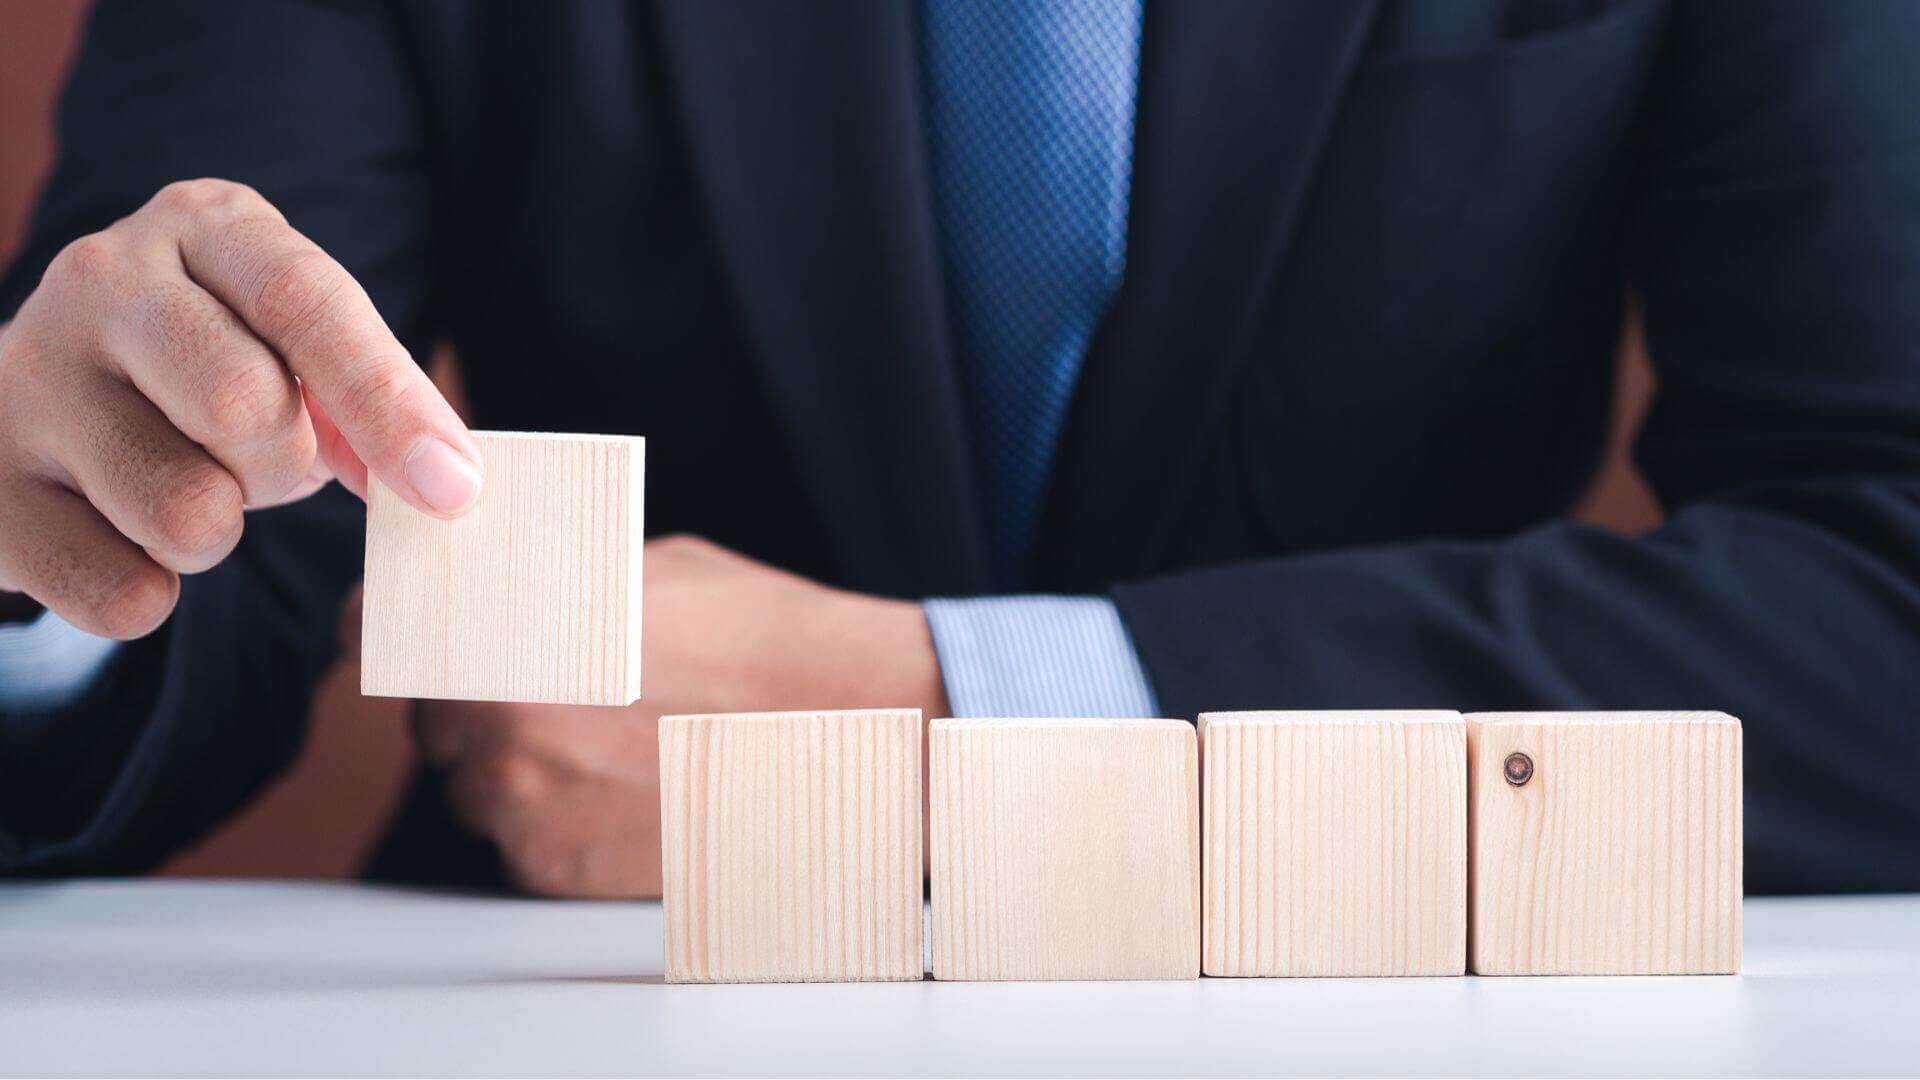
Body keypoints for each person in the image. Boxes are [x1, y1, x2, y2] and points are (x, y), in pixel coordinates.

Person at [2, 0, 1917, 896]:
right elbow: (181, 509)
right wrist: (41, 557)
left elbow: (1888, 595)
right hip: (593, 987)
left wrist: (954, 726)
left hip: (1391, 987)